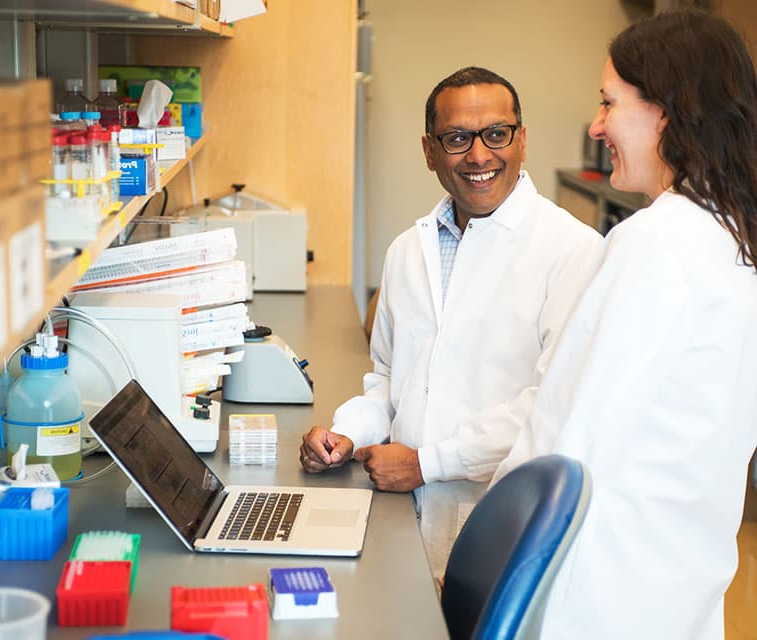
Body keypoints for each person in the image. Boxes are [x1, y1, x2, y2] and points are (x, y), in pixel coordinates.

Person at [491, 11, 757, 639]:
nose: (597, 125)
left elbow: (564, 439)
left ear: (667, 111)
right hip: (682, 586)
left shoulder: (656, 243)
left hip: (598, 594)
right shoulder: (736, 241)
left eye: (610, 104)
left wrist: (480, 556)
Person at [299, 66, 603, 582]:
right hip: (403, 518)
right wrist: (346, 434)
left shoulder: (573, 252)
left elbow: (547, 412)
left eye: (497, 134)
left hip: (503, 530)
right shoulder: (406, 252)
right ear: (430, 151)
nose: (480, 155)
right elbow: (389, 382)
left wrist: (425, 463)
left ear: (522, 140)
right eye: (458, 138)